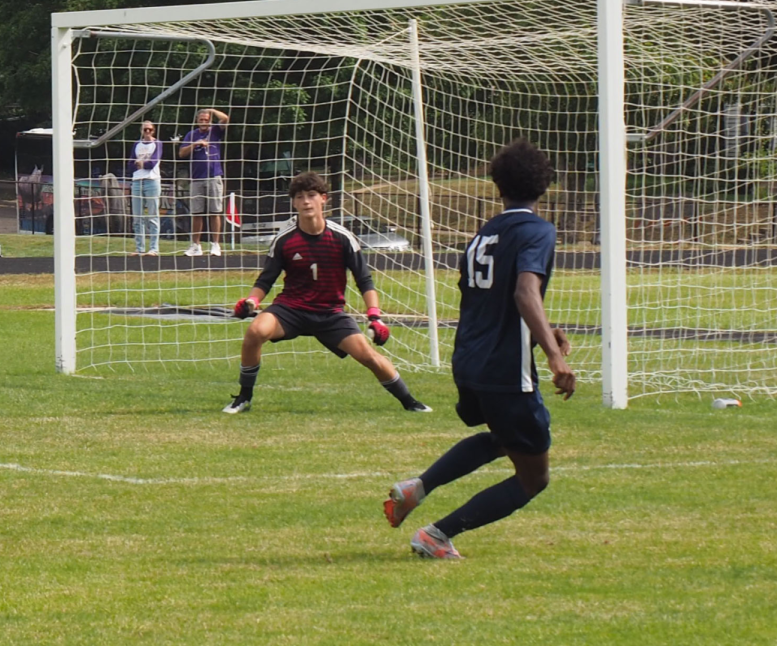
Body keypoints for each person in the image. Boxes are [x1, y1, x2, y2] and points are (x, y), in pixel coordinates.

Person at [382, 139, 575, 560]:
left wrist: (547, 332)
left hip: (469, 360)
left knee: (503, 438)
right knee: (533, 477)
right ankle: (437, 535)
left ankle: (419, 487)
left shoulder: (484, 233)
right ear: (544, 184)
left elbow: (492, 299)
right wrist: (554, 355)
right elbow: (525, 293)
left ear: (498, 184)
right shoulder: (538, 230)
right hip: (505, 369)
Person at [224, 171, 431, 415]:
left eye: (312, 195)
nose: (306, 201)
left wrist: (375, 316)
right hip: (291, 309)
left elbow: (364, 280)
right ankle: (244, 397)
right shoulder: (284, 239)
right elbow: (266, 279)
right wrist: (251, 301)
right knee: (255, 332)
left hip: (329, 313)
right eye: (299, 197)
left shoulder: (342, 238)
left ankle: (410, 402)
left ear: (324, 199)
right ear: (293, 203)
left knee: (368, 356)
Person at [178, 107, 229, 257]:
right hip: (196, 178)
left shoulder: (215, 131)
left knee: (215, 212)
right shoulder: (191, 135)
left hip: (214, 176)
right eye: (201, 120)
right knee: (196, 213)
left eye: (206, 120)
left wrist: (212, 110)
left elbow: (225, 119)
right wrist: (195, 144)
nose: (204, 123)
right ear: (197, 121)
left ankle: (215, 245)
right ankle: (196, 245)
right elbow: (181, 153)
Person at [129, 120, 162, 255]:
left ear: (153, 131)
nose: (148, 132)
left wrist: (139, 163)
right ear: (141, 131)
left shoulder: (157, 144)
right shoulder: (136, 144)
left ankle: (154, 248)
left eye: (150, 130)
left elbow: (152, 163)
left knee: (153, 216)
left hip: (152, 181)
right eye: (145, 130)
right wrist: (140, 163)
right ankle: (139, 248)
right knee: (137, 217)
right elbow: (129, 165)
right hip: (137, 181)